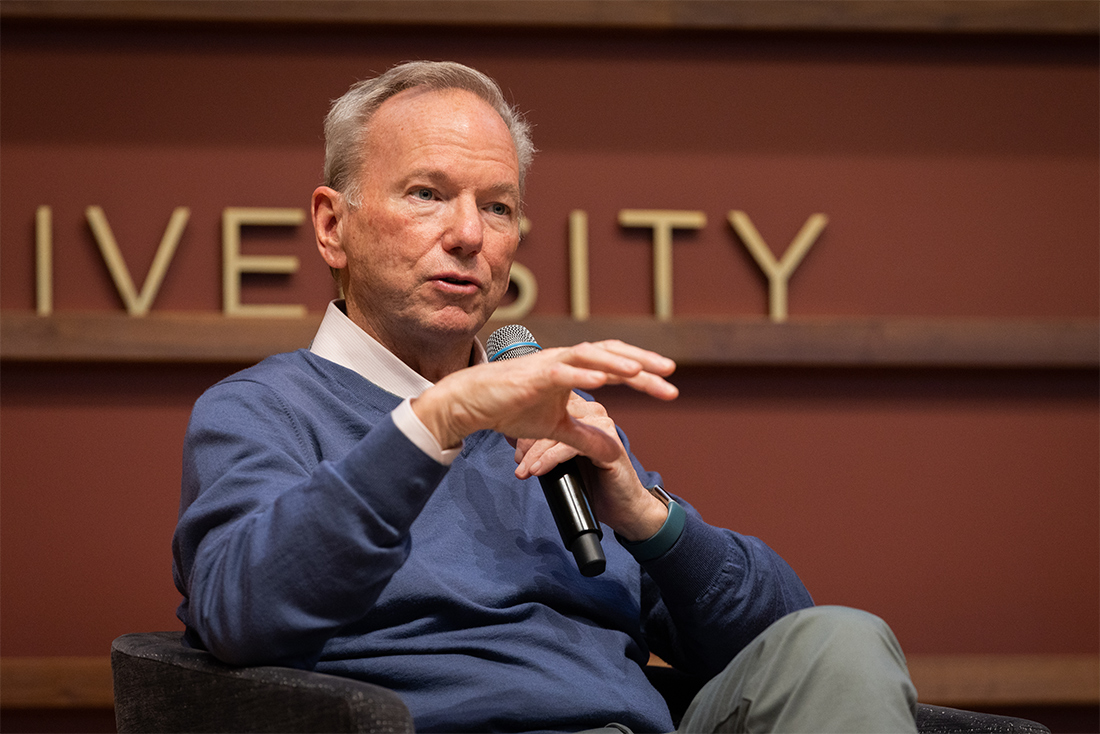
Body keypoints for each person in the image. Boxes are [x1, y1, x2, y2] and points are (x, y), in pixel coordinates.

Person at [172, 60, 918, 733]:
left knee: (840, 643)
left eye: (497, 207)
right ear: (334, 227)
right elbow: (243, 613)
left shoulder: (549, 423)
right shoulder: (261, 410)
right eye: (428, 194)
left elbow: (774, 644)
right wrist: (436, 419)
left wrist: (644, 514)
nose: (468, 234)